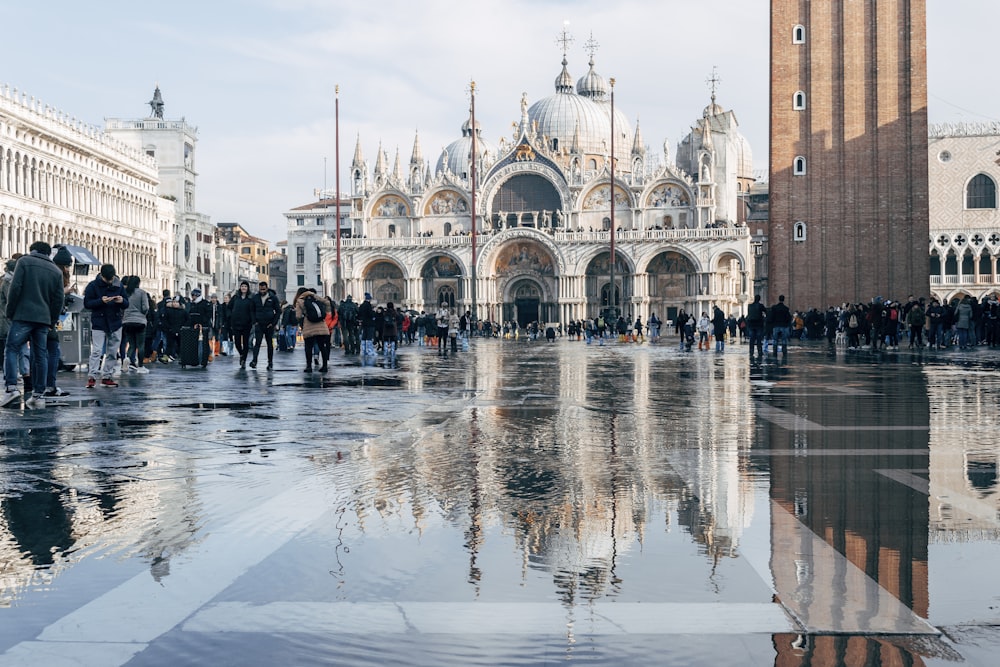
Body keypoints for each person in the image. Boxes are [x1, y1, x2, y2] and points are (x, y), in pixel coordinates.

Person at [2, 242, 64, 408]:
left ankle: (11, 388)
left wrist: (10, 312)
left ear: (33, 250)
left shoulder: (24, 262)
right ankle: (38, 394)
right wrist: (51, 320)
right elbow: (59, 300)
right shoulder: (56, 271)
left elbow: (15, 288)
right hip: (43, 319)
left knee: (12, 348)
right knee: (40, 355)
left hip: (23, 315)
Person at [83, 263, 128, 389]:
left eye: (111, 279)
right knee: (97, 351)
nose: (110, 281)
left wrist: (121, 301)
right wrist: (100, 301)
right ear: (101, 275)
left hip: (115, 321)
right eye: (107, 279)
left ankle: (106, 376)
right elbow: (87, 303)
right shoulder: (93, 286)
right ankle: (92, 376)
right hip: (99, 321)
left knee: (113, 351)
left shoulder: (118, 285)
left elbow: (126, 303)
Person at [295, 288, 333, 372]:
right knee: (322, 346)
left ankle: (309, 366)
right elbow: (327, 303)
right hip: (322, 326)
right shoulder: (315, 298)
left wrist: (302, 321)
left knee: (308, 347)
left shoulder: (300, 301)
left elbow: (298, 316)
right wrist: (326, 313)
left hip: (309, 326)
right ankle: (325, 366)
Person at [121, 275, 150, 374]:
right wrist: (143, 315)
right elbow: (145, 307)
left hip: (127, 321)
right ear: (139, 283)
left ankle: (127, 359)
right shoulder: (142, 293)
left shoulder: (125, 293)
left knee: (132, 344)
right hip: (139, 321)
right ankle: (141, 366)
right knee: (140, 345)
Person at [250, 281, 281, 369]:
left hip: (269, 324)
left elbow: (278, 311)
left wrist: (273, 323)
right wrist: (254, 321)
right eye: (261, 289)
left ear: (267, 288)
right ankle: (254, 361)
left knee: (269, 344)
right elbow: (252, 310)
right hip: (259, 324)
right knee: (257, 343)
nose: (262, 290)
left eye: (264, 289)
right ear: (259, 288)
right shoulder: (255, 298)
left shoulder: (273, 298)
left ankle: (270, 362)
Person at [227, 281, 254, 368]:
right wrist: (230, 316)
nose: (243, 288)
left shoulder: (250, 299)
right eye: (242, 286)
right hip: (236, 323)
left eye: (245, 286)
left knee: (245, 343)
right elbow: (229, 307)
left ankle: (244, 360)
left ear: (248, 288)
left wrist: (252, 320)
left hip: (247, 324)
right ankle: (241, 354)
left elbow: (253, 310)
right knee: (237, 342)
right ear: (240, 287)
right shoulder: (235, 297)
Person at [746, 294, 767, 360]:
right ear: (759, 299)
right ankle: (759, 351)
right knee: (758, 339)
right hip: (758, 324)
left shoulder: (750, 306)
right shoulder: (761, 306)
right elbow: (766, 312)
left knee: (752, 339)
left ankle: (751, 351)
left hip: (751, 324)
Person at [358, 292, 377, 357]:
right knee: (369, 337)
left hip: (364, 323)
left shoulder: (362, 305)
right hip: (369, 323)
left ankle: (363, 351)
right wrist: (374, 313)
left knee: (364, 337)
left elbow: (359, 314)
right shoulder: (368, 305)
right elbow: (370, 314)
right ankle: (369, 351)